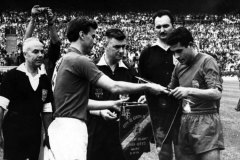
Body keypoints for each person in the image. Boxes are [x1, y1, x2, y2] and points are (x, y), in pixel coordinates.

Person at [48, 17, 166, 160]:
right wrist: (148, 86)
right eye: (92, 36)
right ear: (81, 35)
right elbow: (114, 87)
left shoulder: (65, 59)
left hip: (66, 125)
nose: (94, 40)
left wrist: (111, 104)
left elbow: (79, 101)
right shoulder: (81, 60)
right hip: (76, 128)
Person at [166, 27, 224, 160]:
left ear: (191, 45)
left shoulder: (207, 61)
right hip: (185, 120)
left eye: (179, 51)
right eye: (173, 52)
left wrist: (189, 91)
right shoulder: (178, 67)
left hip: (206, 120)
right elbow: (170, 90)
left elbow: (216, 93)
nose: (176, 56)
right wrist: (149, 95)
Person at [87, 29, 141, 160]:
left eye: (124, 47)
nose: (122, 51)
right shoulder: (91, 68)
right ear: (105, 45)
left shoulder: (130, 71)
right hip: (96, 134)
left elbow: (136, 100)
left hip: (121, 136)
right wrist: (99, 111)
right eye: (117, 47)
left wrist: (141, 99)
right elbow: (82, 102)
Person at [0, 37, 53, 160]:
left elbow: (47, 111)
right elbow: (1, 107)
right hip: (14, 129)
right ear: (25, 54)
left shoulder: (44, 79)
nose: (40, 55)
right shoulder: (12, 76)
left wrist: (49, 134)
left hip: (34, 129)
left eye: (42, 51)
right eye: (35, 52)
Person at [138, 10, 181, 160]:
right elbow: (141, 80)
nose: (161, 30)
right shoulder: (147, 53)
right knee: (164, 154)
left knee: (184, 153)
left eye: (165, 26)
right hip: (158, 111)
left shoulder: (181, 51)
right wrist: (144, 95)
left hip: (181, 109)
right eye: (158, 27)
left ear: (173, 26)